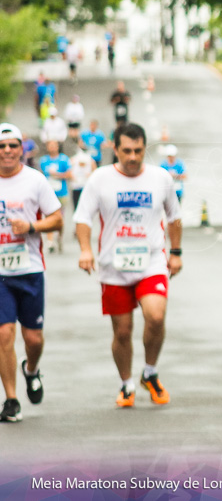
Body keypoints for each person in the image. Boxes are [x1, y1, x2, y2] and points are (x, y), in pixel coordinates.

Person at [73, 123, 183, 407]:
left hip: (151, 261)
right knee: (122, 332)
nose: (132, 157)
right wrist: (85, 250)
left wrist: (176, 252)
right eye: (126, 151)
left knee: (155, 316)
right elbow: (82, 218)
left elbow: (174, 217)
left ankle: (150, 372)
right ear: (115, 149)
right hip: (114, 265)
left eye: (138, 151)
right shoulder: (100, 179)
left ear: (145, 148)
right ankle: (126, 384)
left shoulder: (160, 178)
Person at [0, 124, 63, 423]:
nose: (7, 151)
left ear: (21, 149)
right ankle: (11, 399)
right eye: (2, 146)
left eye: (13, 145)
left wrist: (32, 227)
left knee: (33, 339)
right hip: (0, 275)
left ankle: (31, 370)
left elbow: (58, 219)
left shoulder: (35, 181)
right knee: (4, 334)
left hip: (29, 269)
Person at [38, 140, 70, 254]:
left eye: (54, 145)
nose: (52, 147)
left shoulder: (64, 159)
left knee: (59, 218)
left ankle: (59, 238)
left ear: (57, 147)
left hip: (61, 193)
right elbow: (40, 176)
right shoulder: (43, 161)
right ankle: (50, 241)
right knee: (48, 217)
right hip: (48, 193)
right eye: (50, 145)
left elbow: (70, 174)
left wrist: (56, 174)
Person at [68, 145, 97, 210]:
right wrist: (73, 178)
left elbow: (95, 172)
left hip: (86, 186)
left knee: (86, 207)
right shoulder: (73, 160)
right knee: (76, 207)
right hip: (76, 186)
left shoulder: (91, 160)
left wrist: (90, 175)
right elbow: (68, 171)